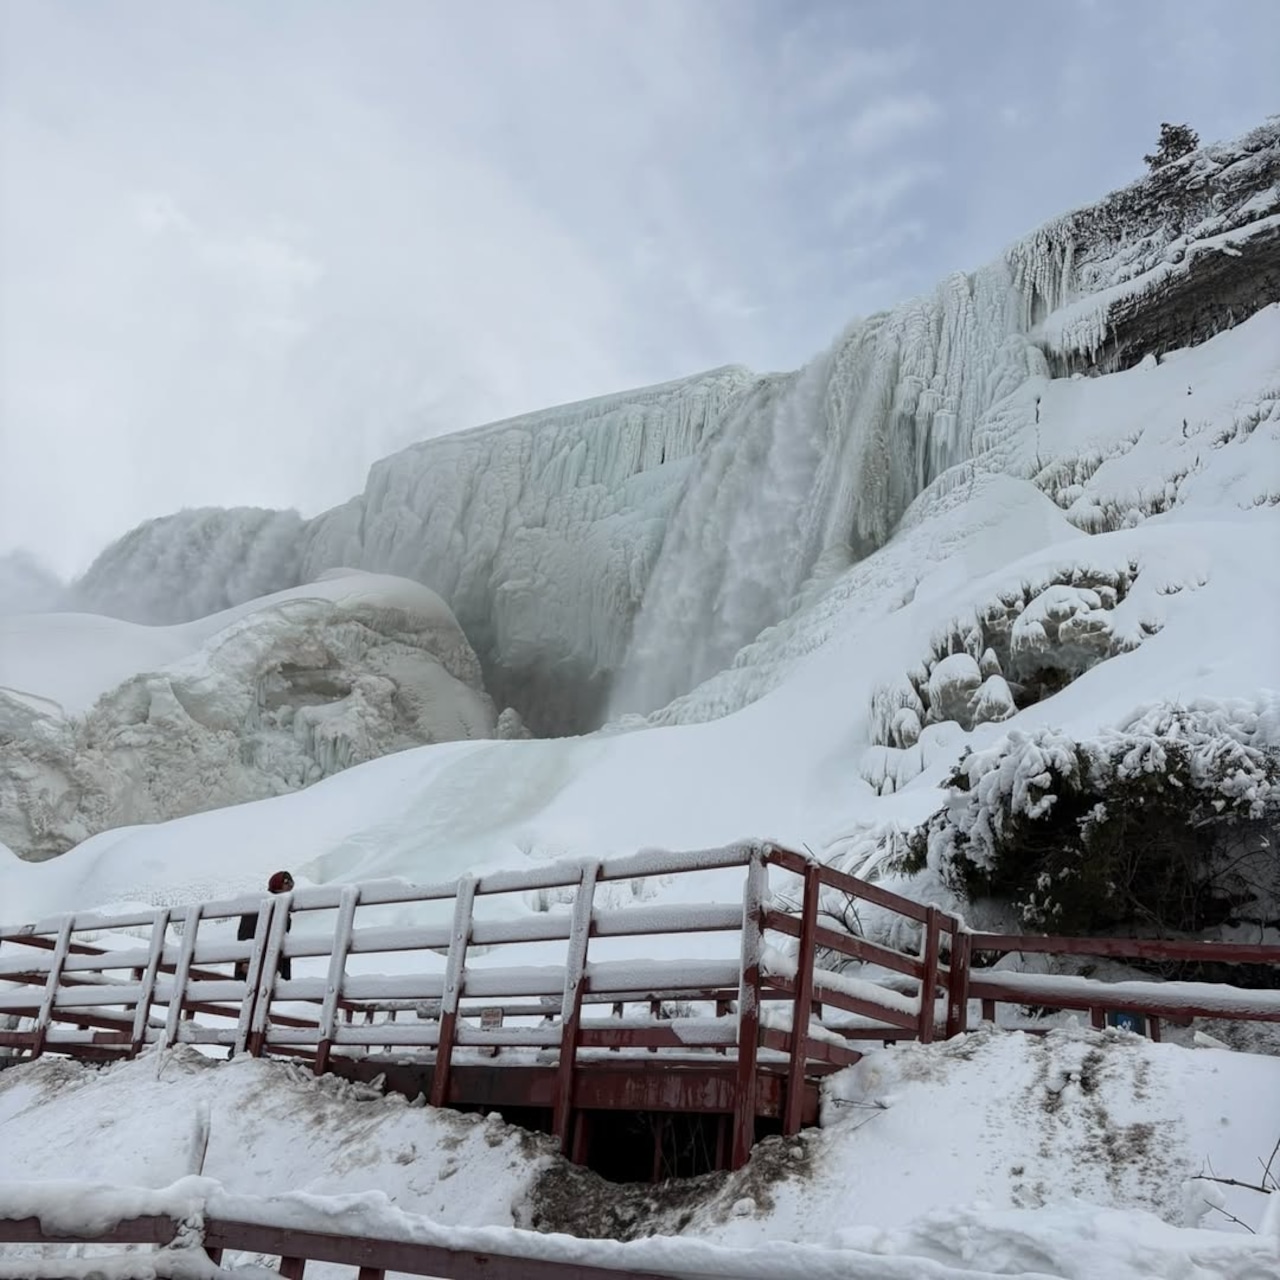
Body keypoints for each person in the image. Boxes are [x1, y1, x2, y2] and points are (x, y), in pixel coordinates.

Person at [234, 871, 295, 982]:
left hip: (274, 964)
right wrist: (245, 962)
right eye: (286, 882)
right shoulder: (261, 905)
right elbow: (246, 934)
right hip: (254, 966)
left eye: (291, 883)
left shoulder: (282, 905)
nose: (290, 886)